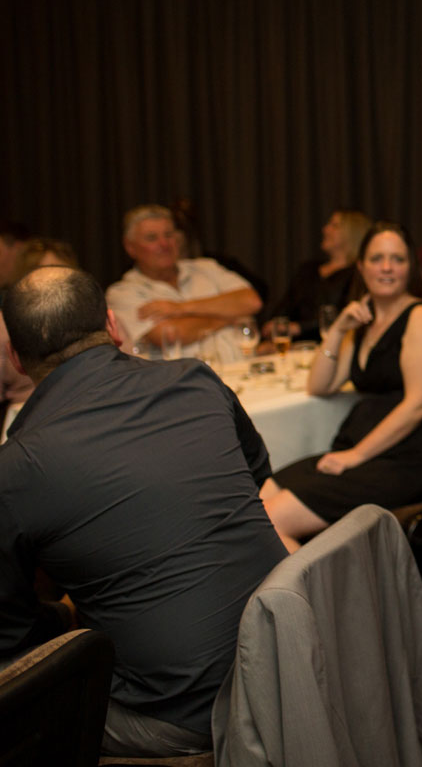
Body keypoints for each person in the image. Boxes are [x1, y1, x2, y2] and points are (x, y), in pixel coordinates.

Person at [0, 266, 285, 757]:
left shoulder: (18, 467)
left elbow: (11, 635)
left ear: (15, 360)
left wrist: (64, 615)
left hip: (180, 715)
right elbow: (255, 473)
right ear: (113, 326)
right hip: (287, 657)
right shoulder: (195, 378)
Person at [259, 222, 422, 553]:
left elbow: (418, 405)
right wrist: (337, 329)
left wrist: (354, 456)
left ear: (410, 267)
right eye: (377, 258)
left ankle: (315, 605)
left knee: (271, 522)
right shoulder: (364, 323)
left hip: (405, 460)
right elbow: (319, 385)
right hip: (363, 450)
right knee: (258, 500)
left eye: (397, 259)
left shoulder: (420, 317)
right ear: (361, 267)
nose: (387, 267)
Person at [106, 204, 263, 362]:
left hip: (245, 372)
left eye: (169, 235)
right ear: (130, 247)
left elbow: (252, 301)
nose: (164, 244)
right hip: (187, 383)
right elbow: (170, 336)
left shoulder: (207, 268)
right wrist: (228, 316)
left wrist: (180, 308)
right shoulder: (122, 293)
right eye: (152, 238)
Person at [0, 239, 79, 439]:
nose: (52, 281)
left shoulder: (91, 313)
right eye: (42, 271)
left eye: (60, 270)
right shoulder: (5, 323)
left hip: (86, 412)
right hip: (29, 424)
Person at [261, 208, 371, 342]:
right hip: (294, 348)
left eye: (334, 226)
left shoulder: (358, 273)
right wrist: (275, 326)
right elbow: (284, 307)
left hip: (334, 348)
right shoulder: (308, 269)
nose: (325, 230)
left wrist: (299, 328)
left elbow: (348, 315)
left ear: (352, 233)